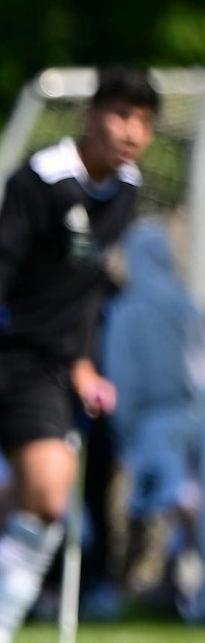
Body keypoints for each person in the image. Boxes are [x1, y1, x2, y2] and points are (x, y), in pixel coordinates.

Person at [0, 66, 159, 643]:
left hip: (60, 367)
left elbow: (89, 289)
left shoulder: (125, 191)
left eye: (143, 122)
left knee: (49, 502)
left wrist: (88, 365)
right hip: (8, 358)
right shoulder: (39, 181)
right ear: (91, 116)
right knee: (47, 494)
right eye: (121, 115)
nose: (131, 132)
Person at [101, 219, 204, 618]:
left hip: (154, 424)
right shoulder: (188, 306)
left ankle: (134, 584)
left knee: (157, 506)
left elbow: (121, 377)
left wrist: (125, 436)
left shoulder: (128, 312)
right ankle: (171, 586)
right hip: (196, 416)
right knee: (181, 501)